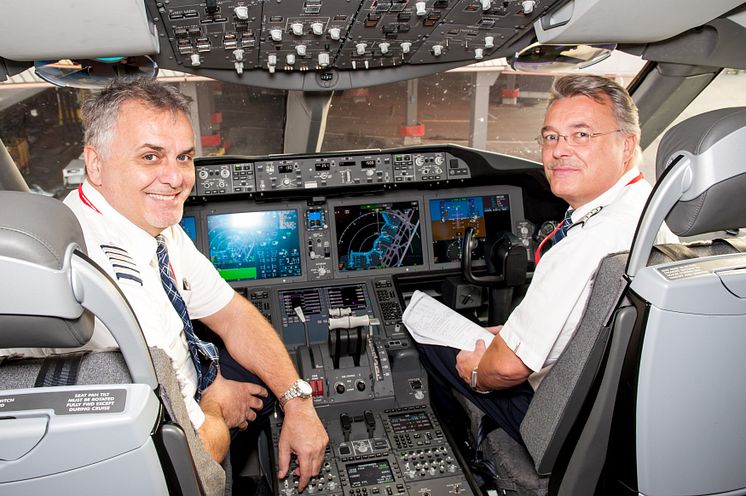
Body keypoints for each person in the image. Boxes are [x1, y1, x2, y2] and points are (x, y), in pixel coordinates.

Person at [61, 77, 328, 489]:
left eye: (184, 157)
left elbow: (232, 313)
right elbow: (190, 452)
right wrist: (218, 405)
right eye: (150, 157)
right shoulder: (105, 281)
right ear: (95, 164)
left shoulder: (144, 218)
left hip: (185, 382)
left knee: (267, 365)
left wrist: (298, 401)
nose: (175, 179)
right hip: (166, 452)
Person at [416, 74, 660, 444]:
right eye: (551, 137)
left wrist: (477, 375)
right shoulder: (652, 208)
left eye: (581, 135)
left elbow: (508, 368)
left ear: (627, 146)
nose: (559, 150)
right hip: (623, 408)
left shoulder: (587, 242)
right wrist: (509, 334)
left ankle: (462, 451)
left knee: (426, 339)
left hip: (559, 417)